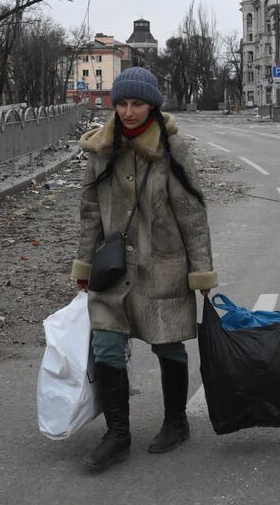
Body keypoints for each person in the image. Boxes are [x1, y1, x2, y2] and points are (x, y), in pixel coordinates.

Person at [70, 67, 217, 471]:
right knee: (106, 345)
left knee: (167, 342)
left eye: (137, 104)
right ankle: (118, 434)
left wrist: (201, 271)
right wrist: (83, 262)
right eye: (122, 103)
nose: (129, 111)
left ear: (152, 105)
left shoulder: (173, 148)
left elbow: (192, 211)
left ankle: (176, 421)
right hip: (112, 269)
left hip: (163, 265)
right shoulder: (102, 149)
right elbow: (89, 213)